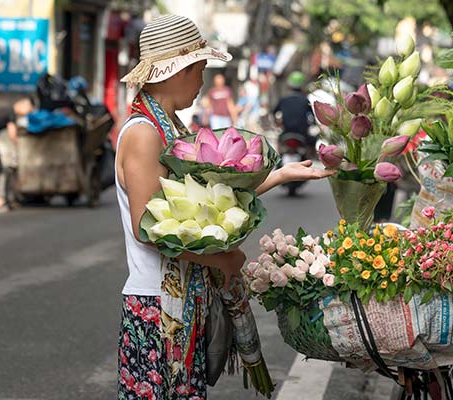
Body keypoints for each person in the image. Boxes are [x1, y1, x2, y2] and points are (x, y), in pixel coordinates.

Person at [116, 15, 334, 399]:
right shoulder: (144, 135)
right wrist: (222, 260)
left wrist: (280, 176)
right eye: (199, 70)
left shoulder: (172, 128)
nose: (202, 83)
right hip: (158, 307)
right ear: (177, 71)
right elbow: (147, 229)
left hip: (183, 303)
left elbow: (213, 206)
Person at [273, 71, 315, 148]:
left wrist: (277, 123)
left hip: (286, 131)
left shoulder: (284, 99)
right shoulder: (305, 100)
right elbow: (312, 116)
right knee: (312, 144)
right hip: (302, 133)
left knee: (279, 145)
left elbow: (274, 113)